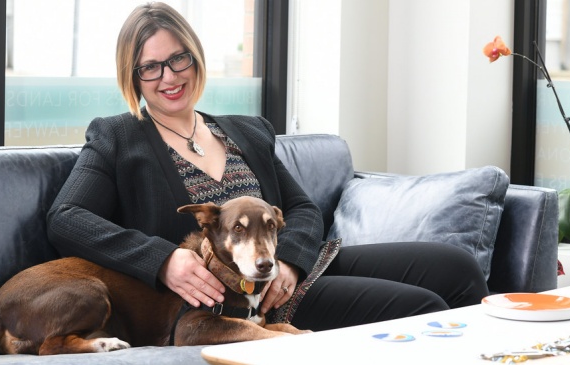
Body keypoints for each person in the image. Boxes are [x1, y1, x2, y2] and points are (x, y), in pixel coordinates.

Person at [47, 1, 489, 332]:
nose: (169, 76)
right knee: (423, 305)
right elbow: (66, 219)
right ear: (133, 76)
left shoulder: (247, 130)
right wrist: (163, 261)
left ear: (195, 58)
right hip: (248, 300)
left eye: (178, 58)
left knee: (457, 267)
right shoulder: (117, 137)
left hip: (292, 271)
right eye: (150, 67)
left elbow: (302, 209)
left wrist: (292, 262)